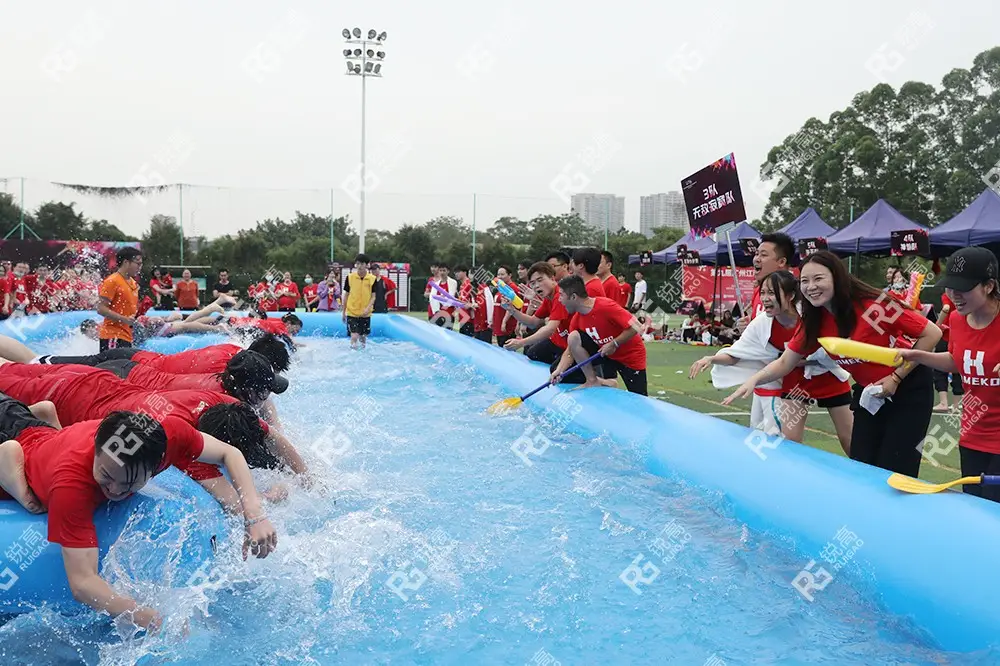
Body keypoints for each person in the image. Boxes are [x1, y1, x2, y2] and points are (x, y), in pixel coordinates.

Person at [0, 405, 277, 631]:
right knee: (33, 496)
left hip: (39, 433)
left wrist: (254, 515)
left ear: (159, 463)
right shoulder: (70, 487)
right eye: (106, 476)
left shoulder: (168, 436)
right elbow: (82, 583)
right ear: (97, 448)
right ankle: (12, 468)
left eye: (129, 483)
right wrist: (143, 614)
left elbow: (229, 453)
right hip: (22, 446)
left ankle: (41, 422)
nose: (114, 490)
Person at [723, 251, 940, 477]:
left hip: (908, 386)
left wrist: (896, 377)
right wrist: (754, 379)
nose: (811, 287)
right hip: (870, 392)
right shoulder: (814, 321)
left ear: (836, 277)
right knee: (862, 463)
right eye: (804, 281)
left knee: (896, 467)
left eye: (818, 278)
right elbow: (786, 362)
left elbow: (932, 333)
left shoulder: (875, 305)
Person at [690, 270, 853, 452]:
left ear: (791, 296)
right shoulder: (761, 323)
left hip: (828, 376)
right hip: (795, 382)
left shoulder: (811, 316)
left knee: (849, 440)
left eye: (772, 293)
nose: (765, 299)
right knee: (789, 444)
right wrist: (711, 358)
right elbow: (736, 354)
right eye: (763, 293)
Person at [896, 247, 1000, 499]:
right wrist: (918, 355)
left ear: (988, 286)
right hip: (973, 434)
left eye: (963, 288)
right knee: (975, 506)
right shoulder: (956, 319)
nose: (954, 295)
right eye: (950, 287)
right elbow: (956, 361)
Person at [550, 275, 648, 395]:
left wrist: (614, 343)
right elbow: (570, 349)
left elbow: (636, 326)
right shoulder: (577, 319)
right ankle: (592, 380)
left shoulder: (605, 306)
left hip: (630, 356)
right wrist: (559, 370)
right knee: (573, 337)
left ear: (574, 297)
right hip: (606, 355)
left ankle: (608, 382)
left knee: (639, 396)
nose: (559, 300)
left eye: (561, 295)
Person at [36, 331, 291, 373]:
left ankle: (37, 361)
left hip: (135, 355)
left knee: (78, 363)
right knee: (78, 368)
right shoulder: (230, 370)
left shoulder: (233, 349)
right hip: (131, 368)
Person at [501, 262, 570, 364]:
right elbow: (533, 322)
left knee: (556, 369)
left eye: (540, 280)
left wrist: (521, 342)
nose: (536, 285)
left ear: (552, 278)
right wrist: (512, 310)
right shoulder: (547, 298)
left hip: (570, 346)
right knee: (532, 353)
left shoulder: (560, 295)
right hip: (558, 340)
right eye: (533, 283)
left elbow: (550, 329)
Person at [96, 247, 142, 351]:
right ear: (126, 262)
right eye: (138, 264)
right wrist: (124, 319)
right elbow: (101, 309)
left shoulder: (133, 283)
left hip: (127, 336)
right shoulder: (112, 281)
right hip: (112, 336)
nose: (140, 267)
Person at [932, 291, 964, 412]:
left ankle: (943, 403)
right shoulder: (965, 294)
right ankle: (956, 404)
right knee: (958, 369)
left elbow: (946, 308)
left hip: (946, 335)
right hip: (960, 336)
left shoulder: (948, 295)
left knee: (940, 369)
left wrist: (938, 324)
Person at [342, 254, 376, 349]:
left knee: (363, 337)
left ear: (366, 265)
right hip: (352, 312)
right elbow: (346, 295)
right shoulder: (350, 277)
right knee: (354, 335)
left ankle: (362, 353)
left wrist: (368, 308)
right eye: (357, 264)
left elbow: (373, 297)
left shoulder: (372, 279)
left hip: (365, 313)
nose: (359, 266)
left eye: (361, 264)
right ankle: (353, 352)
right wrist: (343, 312)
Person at [492, 265, 519, 348]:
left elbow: (512, 306)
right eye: (498, 274)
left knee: (506, 350)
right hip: (499, 326)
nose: (500, 277)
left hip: (507, 327)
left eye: (502, 274)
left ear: (509, 275)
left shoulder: (512, 288)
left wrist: (504, 322)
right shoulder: (500, 288)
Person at [453, 265, 475, 336]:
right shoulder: (461, 286)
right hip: (462, 318)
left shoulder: (469, 284)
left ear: (465, 272)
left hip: (469, 319)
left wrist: (470, 306)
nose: (456, 274)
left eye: (458, 272)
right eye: (455, 272)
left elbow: (474, 300)